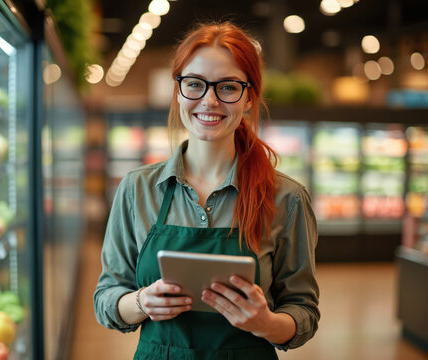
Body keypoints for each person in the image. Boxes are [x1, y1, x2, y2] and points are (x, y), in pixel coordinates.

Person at [94, 21, 319, 359]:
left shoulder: (286, 199)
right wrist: (141, 302)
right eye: (195, 84)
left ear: (248, 98)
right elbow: (106, 298)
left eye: (228, 87)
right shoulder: (137, 190)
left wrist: (266, 323)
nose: (209, 101)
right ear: (179, 91)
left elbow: (304, 312)